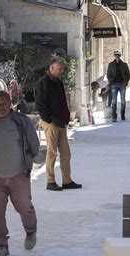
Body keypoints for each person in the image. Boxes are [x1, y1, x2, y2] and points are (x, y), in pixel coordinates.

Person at [0, 91, 40, 256]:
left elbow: (34, 145)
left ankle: (31, 230)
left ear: (10, 103)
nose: (1, 106)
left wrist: (29, 163)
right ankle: (1, 245)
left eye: (4, 102)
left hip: (19, 173)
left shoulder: (22, 122)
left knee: (24, 207)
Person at [35, 57, 82, 191]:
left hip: (61, 122)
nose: (61, 71)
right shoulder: (43, 82)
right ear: (51, 68)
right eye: (59, 69)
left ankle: (67, 181)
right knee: (52, 152)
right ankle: (50, 181)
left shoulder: (57, 81)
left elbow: (62, 101)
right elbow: (40, 104)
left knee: (66, 153)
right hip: (51, 123)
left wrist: (66, 117)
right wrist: (48, 120)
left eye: (62, 69)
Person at [107, 50, 130, 122]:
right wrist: (111, 81)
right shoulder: (111, 64)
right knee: (114, 101)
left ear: (120, 56)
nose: (117, 56)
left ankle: (122, 114)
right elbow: (108, 74)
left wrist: (125, 82)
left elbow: (128, 74)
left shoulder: (124, 64)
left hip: (122, 84)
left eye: (118, 55)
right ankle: (114, 116)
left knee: (123, 101)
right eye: (116, 55)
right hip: (114, 84)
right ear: (114, 56)